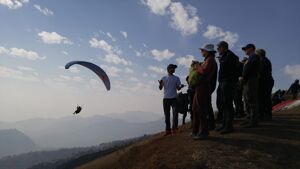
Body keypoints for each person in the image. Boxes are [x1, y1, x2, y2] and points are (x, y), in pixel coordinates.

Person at [192, 44, 217, 140]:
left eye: (202, 50)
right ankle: (196, 130)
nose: (201, 52)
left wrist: (197, 66)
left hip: (203, 87)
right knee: (195, 109)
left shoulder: (210, 60)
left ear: (207, 51)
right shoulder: (208, 60)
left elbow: (204, 73)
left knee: (201, 110)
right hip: (200, 87)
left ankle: (204, 132)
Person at [215, 41, 239, 134]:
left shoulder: (230, 55)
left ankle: (229, 126)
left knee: (227, 104)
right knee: (222, 104)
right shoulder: (226, 55)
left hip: (228, 82)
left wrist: (221, 60)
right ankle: (224, 124)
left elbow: (227, 68)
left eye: (218, 48)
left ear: (223, 47)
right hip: (223, 82)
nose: (217, 50)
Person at [159, 64, 184, 136]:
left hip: (174, 98)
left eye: (174, 68)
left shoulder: (176, 78)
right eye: (173, 68)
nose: (174, 70)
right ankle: (168, 130)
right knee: (167, 115)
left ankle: (174, 129)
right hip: (166, 99)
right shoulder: (163, 78)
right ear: (168, 69)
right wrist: (160, 84)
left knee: (175, 113)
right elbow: (160, 88)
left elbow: (178, 88)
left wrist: (181, 87)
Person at [240, 44, 260, 128]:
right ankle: (249, 119)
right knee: (247, 100)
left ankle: (253, 121)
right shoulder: (250, 58)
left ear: (251, 48)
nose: (245, 51)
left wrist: (244, 76)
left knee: (251, 100)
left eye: (246, 49)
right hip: (247, 81)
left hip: (251, 80)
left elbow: (250, 68)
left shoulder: (254, 56)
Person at [256, 49, 274, 120]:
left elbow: (261, 72)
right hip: (267, 81)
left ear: (259, 54)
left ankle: (265, 114)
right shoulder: (265, 60)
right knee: (265, 98)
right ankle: (265, 114)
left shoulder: (262, 61)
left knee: (264, 98)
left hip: (265, 82)